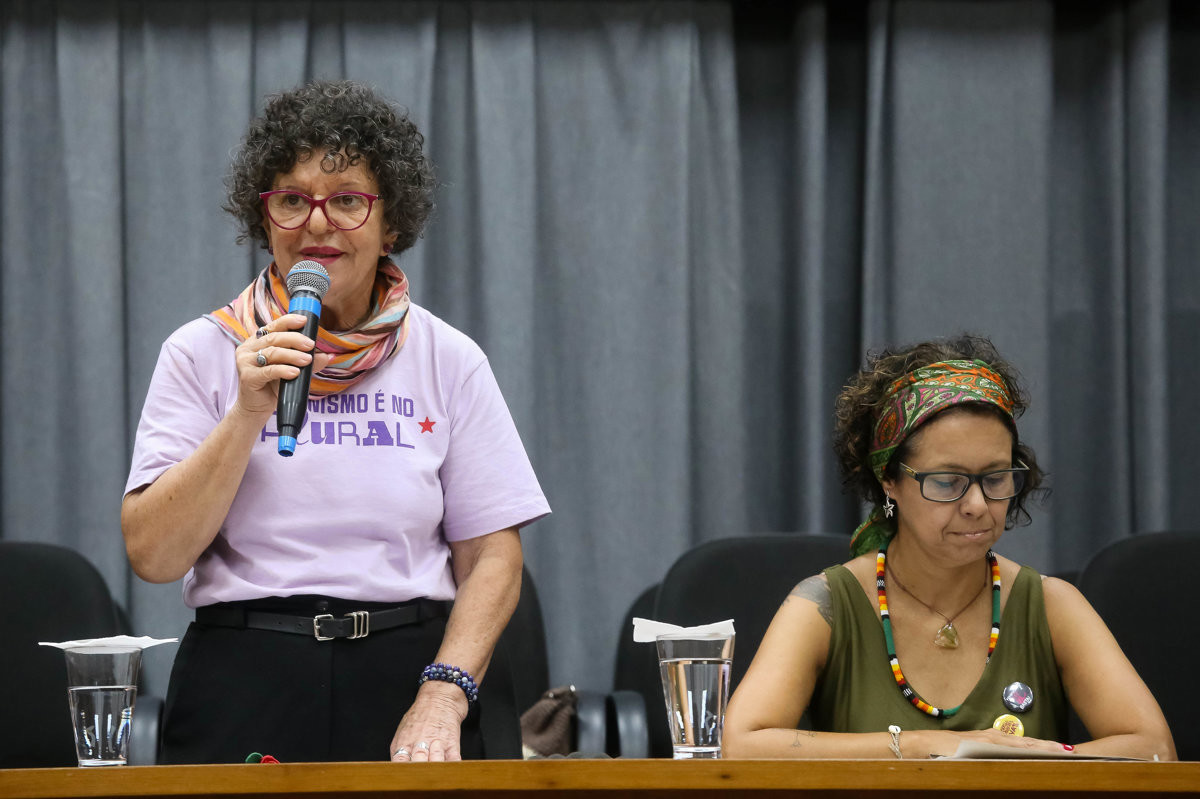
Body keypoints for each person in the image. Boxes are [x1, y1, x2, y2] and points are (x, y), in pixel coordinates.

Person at [121, 79, 550, 764]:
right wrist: (245, 415)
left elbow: (493, 557)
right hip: (243, 669)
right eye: (292, 200)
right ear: (263, 219)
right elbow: (153, 555)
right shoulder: (201, 351)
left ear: (392, 225)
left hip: (409, 671)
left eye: (347, 200)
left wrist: (444, 692)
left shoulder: (448, 357)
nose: (317, 224)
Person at [723, 334, 1175, 760]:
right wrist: (924, 747)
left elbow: (1154, 749)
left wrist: (1028, 757)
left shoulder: (1052, 605)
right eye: (948, 482)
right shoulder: (826, 605)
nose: (977, 505)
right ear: (890, 482)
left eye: (996, 478)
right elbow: (743, 744)